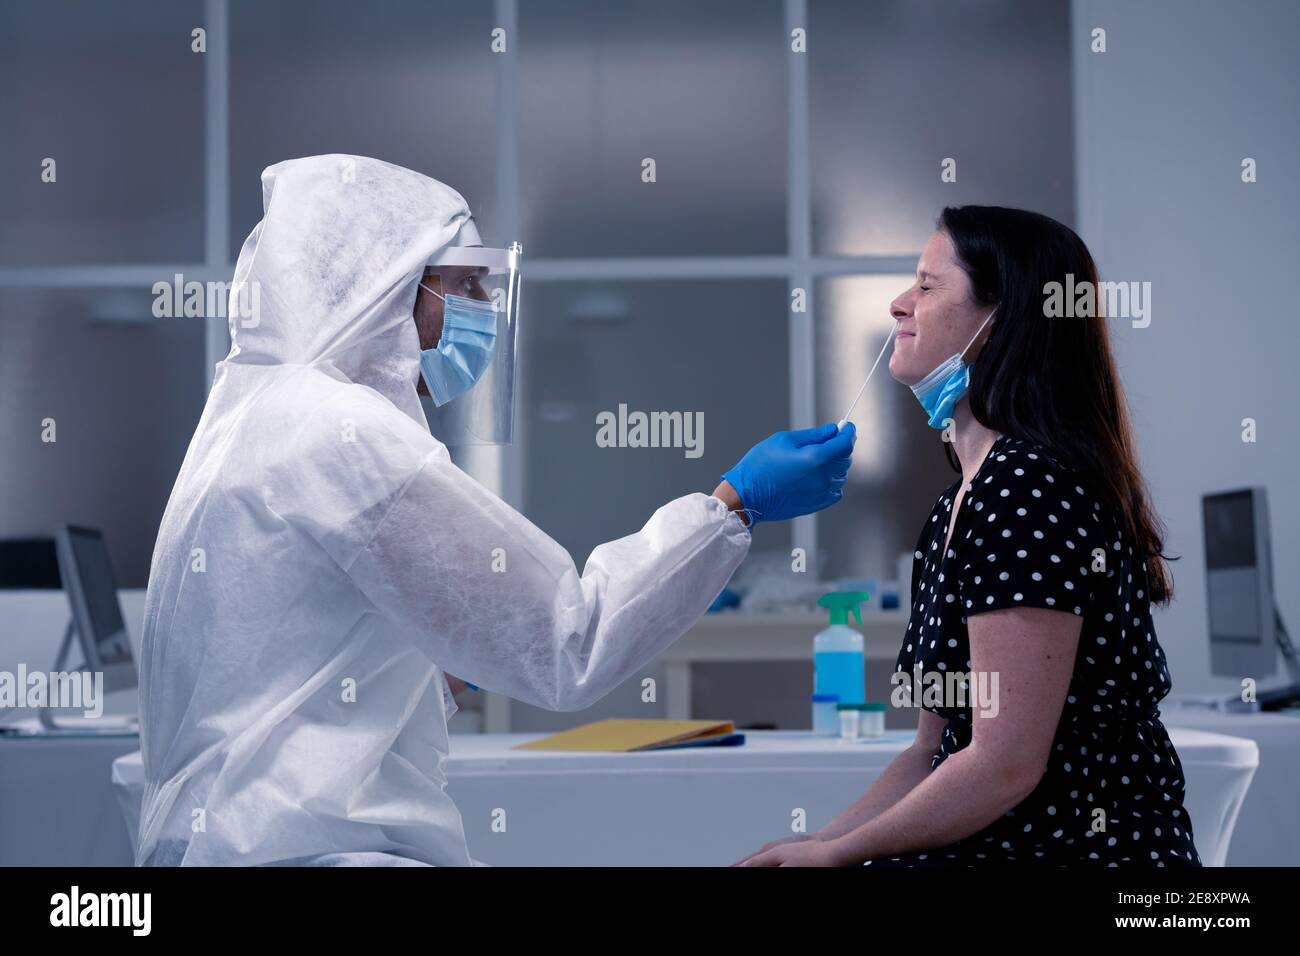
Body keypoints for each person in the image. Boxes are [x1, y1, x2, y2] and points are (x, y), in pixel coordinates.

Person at [134, 155, 855, 866]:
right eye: (464, 281)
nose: (482, 304)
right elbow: (572, 638)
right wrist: (734, 505)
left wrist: (457, 652)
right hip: (304, 851)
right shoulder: (343, 433)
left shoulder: (251, 412)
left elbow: (290, 673)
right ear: (382, 287)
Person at [738, 205, 1201, 867]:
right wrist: (812, 844)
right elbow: (933, 752)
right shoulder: (958, 505)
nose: (900, 304)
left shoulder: (1026, 488)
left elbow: (1004, 766)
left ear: (1001, 320)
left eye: (927, 286)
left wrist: (836, 859)